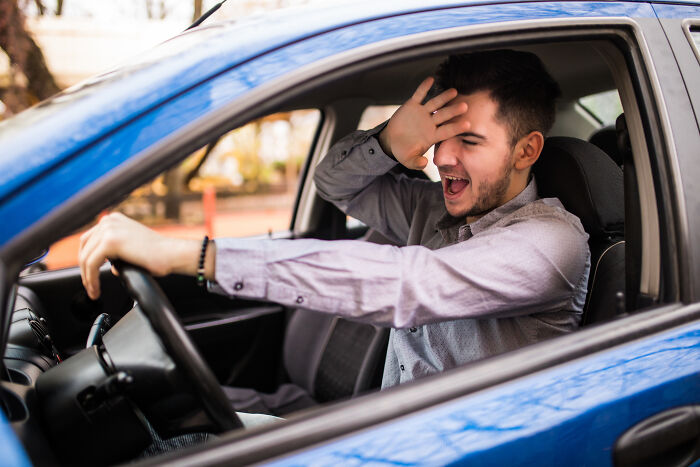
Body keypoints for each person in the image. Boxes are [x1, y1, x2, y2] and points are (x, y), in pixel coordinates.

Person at [79, 49, 589, 392]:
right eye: (439, 135)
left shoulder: (551, 244)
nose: (442, 157)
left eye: (469, 141)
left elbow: (406, 283)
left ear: (527, 150)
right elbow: (336, 184)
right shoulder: (432, 207)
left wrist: (192, 255)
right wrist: (390, 139)